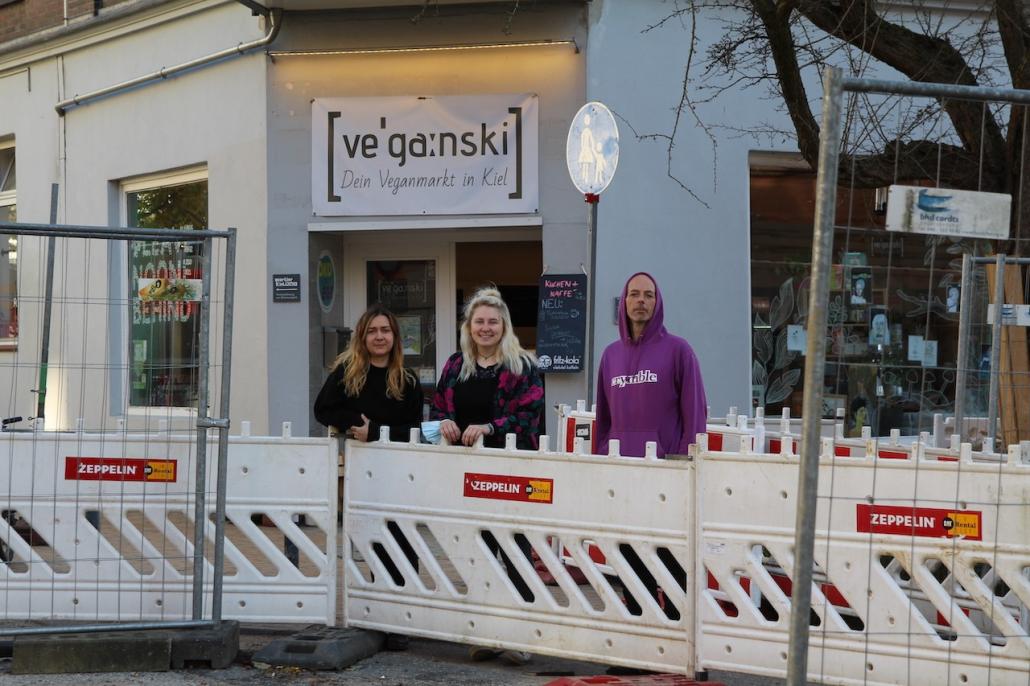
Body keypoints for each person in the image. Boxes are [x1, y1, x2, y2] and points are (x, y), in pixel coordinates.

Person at [431, 286, 543, 665]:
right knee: (478, 550)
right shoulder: (454, 366)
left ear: (504, 325)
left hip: (510, 472)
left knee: (513, 548)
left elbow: (530, 418)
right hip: (468, 475)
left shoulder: (523, 367)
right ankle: (485, 632)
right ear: (469, 326)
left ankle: (519, 634)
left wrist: (490, 427)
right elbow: (437, 408)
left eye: (493, 321)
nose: (485, 328)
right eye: (479, 321)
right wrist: (445, 421)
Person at [594, 272, 706, 624]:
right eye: (634, 295)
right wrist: (602, 460)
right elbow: (604, 416)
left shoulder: (678, 350)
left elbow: (695, 409)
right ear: (624, 302)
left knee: (669, 552)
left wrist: (688, 458)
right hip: (624, 471)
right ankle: (639, 627)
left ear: (658, 303)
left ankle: (677, 628)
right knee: (628, 551)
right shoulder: (610, 356)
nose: (641, 301)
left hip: (667, 469)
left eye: (648, 295)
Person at [313, 304, 423, 650]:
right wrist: (352, 423)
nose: (379, 336)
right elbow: (323, 409)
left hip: (399, 468)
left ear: (395, 337)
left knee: (401, 540)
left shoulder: (407, 379)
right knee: (373, 539)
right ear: (363, 336)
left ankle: (402, 618)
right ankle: (376, 616)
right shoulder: (347, 372)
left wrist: (375, 430)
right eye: (373, 331)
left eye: (385, 330)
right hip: (363, 469)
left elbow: (415, 428)